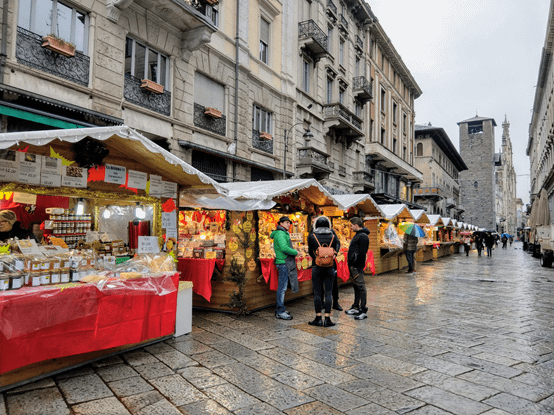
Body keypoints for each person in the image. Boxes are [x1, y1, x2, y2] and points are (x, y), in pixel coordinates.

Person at [307, 216, 340, 327]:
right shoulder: (333, 236)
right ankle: (327, 318)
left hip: (317, 267)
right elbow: (336, 249)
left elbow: (310, 252)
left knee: (317, 292)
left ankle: (317, 318)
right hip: (330, 267)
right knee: (329, 292)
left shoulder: (312, 236)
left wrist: (318, 258)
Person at [270, 216, 299, 320]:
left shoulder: (282, 233)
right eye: (286, 222)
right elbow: (284, 248)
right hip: (283, 263)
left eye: (289, 223)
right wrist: (295, 252)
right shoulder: (281, 234)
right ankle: (280, 311)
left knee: (282, 287)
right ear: (281, 224)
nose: (288, 224)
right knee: (282, 288)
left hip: (283, 262)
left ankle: (281, 308)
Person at [345, 217, 370, 320]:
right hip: (354, 265)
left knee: (361, 286)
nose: (350, 227)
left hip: (357, 266)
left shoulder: (363, 236)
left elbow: (362, 253)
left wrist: (355, 264)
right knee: (356, 286)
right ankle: (356, 306)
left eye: (351, 225)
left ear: (356, 225)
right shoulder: (358, 235)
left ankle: (363, 310)